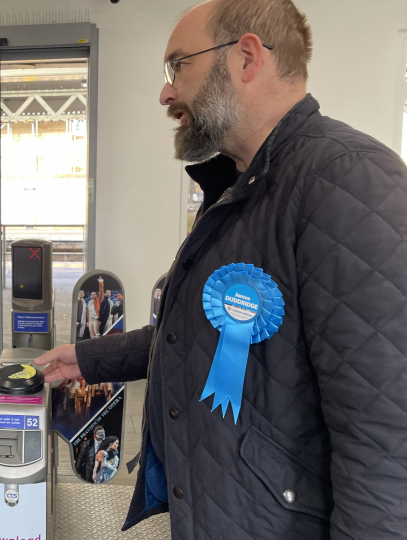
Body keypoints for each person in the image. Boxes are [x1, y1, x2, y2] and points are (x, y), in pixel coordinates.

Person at [35, 0, 407, 537]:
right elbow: (200, 334)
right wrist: (88, 357)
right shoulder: (243, 184)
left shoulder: (348, 182)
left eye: (177, 65)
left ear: (247, 57)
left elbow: (386, 444)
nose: (166, 92)